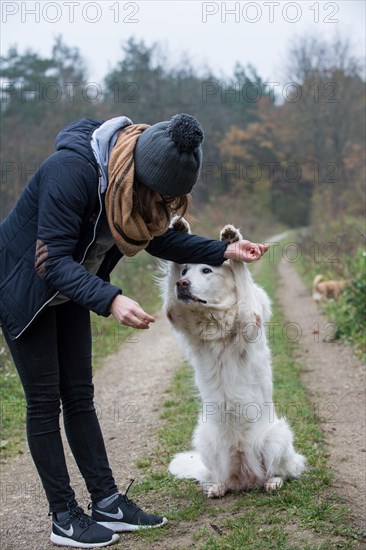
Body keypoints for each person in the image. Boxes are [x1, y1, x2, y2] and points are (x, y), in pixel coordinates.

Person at [0, 113, 268, 548]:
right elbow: (50, 260)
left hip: (70, 287)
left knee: (80, 395)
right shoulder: (70, 173)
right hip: (26, 287)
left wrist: (223, 249)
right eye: (160, 196)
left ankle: (106, 501)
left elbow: (159, 239)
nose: (163, 206)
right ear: (138, 178)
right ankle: (64, 517)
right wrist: (110, 298)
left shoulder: (130, 186)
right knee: (46, 402)